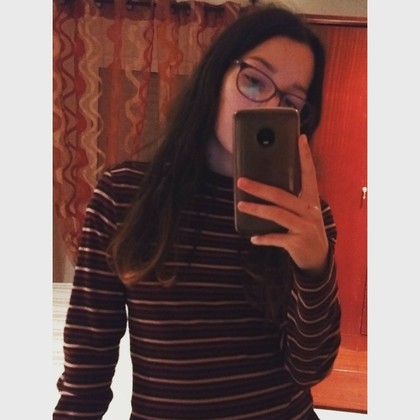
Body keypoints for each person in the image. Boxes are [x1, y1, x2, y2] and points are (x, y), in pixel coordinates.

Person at [54, 5, 341, 419]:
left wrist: (315, 268)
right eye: (254, 81)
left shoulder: (306, 217)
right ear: (216, 76)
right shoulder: (123, 196)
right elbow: (87, 364)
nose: (266, 107)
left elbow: (309, 369)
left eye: (291, 102)